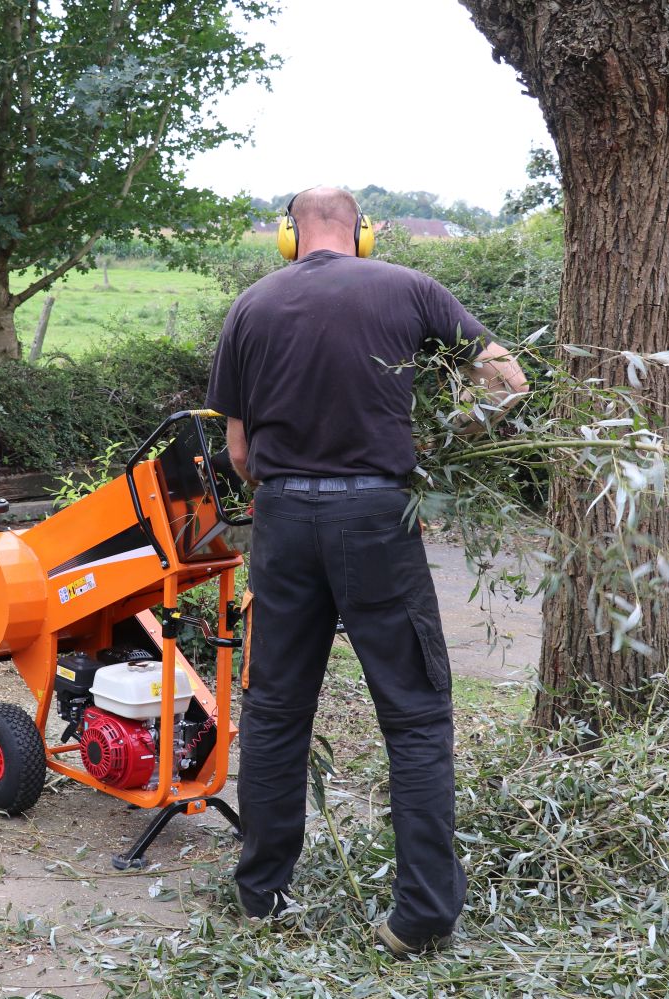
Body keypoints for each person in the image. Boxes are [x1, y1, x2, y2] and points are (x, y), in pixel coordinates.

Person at [207, 186, 527, 956]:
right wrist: (450, 435)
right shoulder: (409, 288)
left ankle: (263, 897)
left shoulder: (250, 307)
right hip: (379, 519)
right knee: (414, 715)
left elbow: (240, 455)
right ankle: (419, 917)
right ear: (365, 234)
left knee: (277, 709)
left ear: (290, 235)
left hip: (283, 525)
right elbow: (509, 380)